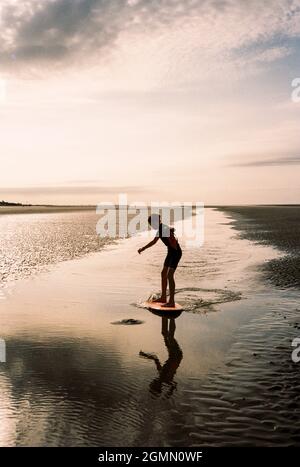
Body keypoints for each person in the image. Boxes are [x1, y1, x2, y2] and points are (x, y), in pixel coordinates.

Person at [138, 214, 182, 307]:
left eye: (151, 224)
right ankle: (163, 297)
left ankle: (172, 301)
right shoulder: (161, 229)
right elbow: (154, 242)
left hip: (175, 252)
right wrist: (143, 248)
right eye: (150, 224)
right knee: (163, 273)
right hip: (170, 252)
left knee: (170, 275)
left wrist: (174, 249)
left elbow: (173, 241)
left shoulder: (163, 228)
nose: (151, 226)